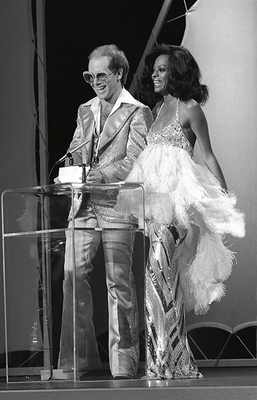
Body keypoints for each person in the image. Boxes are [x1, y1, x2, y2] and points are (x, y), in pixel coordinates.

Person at [117, 44, 245, 379]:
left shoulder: (189, 109)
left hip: (179, 210)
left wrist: (221, 199)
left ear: (176, 71)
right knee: (160, 279)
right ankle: (170, 363)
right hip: (157, 208)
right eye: (154, 70)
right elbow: (152, 165)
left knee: (159, 276)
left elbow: (208, 156)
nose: (154, 75)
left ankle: (168, 362)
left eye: (161, 69)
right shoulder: (158, 109)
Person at [55, 44, 153, 379]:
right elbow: (75, 147)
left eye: (101, 75)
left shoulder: (137, 112)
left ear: (118, 73)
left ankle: (123, 361)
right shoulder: (86, 110)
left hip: (115, 205)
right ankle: (77, 359)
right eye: (90, 76)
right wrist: (70, 165)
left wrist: (103, 174)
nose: (95, 81)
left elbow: (136, 161)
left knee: (118, 283)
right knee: (72, 275)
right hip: (82, 203)